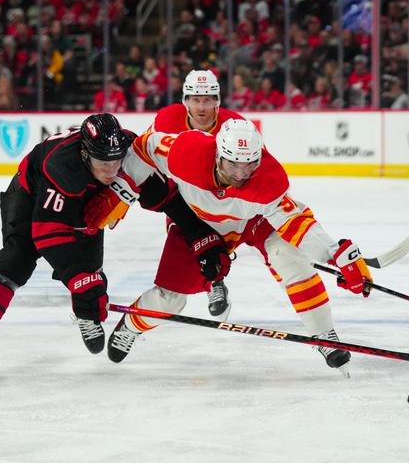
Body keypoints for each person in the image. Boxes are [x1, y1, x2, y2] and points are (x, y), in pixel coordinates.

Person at [0, 114, 222, 381]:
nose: (112, 170)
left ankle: (85, 309)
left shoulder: (130, 157)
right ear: (85, 154)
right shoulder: (62, 165)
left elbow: (168, 198)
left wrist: (201, 237)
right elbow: (46, 232)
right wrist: (79, 280)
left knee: (90, 272)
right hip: (30, 193)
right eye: (103, 163)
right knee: (14, 263)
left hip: (82, 200)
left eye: (116, 161)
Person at [86, 120, 373, 377]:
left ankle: (325, 335)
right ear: (218, 154)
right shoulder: (188, 151)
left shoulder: (267, 181)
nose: (241, 173)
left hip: (251, 220)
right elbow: (145, 146)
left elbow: (297, 221)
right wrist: (123, 186)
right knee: (170, 300)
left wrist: (336, 254)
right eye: (233, 164)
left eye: (249, 164)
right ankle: (132, 325)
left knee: (289, 257)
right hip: (196, 222)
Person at [145, 69, 244, 319]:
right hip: (180, 195)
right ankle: (214, 281)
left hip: (221, 197)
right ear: (185, 101)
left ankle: (214, 280)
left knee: (216, 232)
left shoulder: (235, 126)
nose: (202, 106)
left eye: (208, 99)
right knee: (182, 232)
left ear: (217, 101)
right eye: (196, 99)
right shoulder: (166, 120)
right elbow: (143, 154)